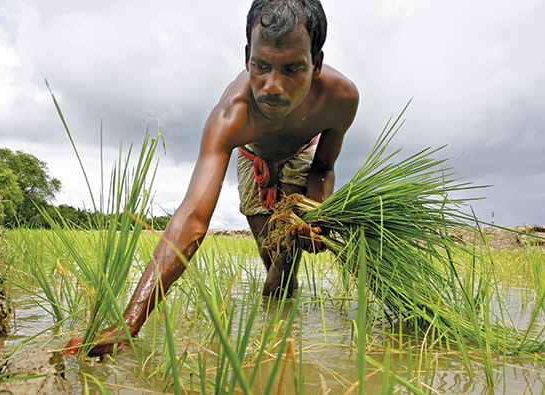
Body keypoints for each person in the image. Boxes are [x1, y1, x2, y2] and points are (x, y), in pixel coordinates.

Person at [64, 0, 358, 357]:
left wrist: (318, 216)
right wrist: (131, 322)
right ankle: (275, 324)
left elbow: (323, 169)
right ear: (247, 55)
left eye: (293, 69)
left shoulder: (340, 99)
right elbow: (193, 218)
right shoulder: (232, 115)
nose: (272, 87)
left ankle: (281, 350)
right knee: (272, 261)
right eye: (260, 66)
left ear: (317, 63)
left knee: (285, 262)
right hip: (253, 159)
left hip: (300, 157)